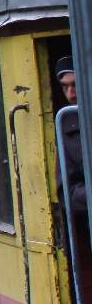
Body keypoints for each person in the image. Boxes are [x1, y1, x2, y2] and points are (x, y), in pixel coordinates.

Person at [59, 57, 84, 215]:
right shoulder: (66, 125)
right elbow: (66, 191)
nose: (71, 94)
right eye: (65, 87)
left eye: (75, 85)